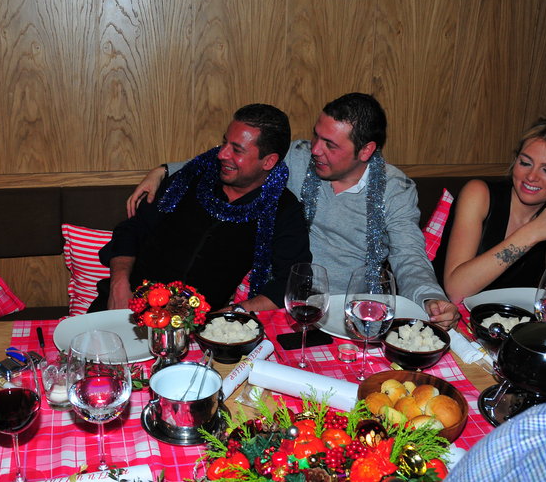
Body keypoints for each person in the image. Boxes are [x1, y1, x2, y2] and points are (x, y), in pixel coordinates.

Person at [127, 93, 460, 329]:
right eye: (317, 135)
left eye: (330, 144)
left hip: (351, 313)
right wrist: (165, 170)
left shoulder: (395, 189)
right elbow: (237, 159)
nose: (315, 149)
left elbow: (409, 255)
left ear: (366, 151)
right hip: (281, 304)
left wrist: (431, 298)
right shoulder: (298, 158)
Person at [93, 103, 311, 312]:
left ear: (268, 161)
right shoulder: (191, 177)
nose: (222, 154)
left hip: (196, 324)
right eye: (224, 142)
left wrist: (230, 315)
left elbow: (293, 281)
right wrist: (118, 284)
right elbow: (132, 229)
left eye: (237, 150)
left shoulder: (283, 210)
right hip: (128, 304)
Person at [440, 114, 546, 304]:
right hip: (448, 313)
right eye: (525, 163)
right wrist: (535, 231)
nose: (531, 177)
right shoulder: (479, 193)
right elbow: (457, 290)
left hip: (515, 317)